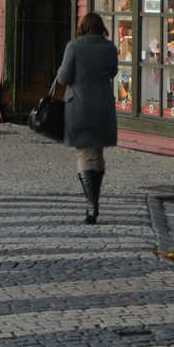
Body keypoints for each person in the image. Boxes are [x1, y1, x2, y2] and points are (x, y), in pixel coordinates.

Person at [54, 12, 121, 224]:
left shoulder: (73, 47)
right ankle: (95, 201)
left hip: (79, 106)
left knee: (84, 152)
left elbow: (63, 78)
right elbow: (113, 72)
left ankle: (92, 205)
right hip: (103, 106)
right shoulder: (110, 48)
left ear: (82, 27)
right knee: (97, 151)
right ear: (102, 28)